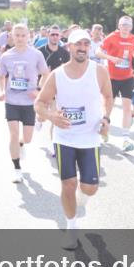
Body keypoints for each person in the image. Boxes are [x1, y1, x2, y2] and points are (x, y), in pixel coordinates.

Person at [35, 30, 114, 250]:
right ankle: (71, 229)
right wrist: (51, 117)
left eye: (86, 44)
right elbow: (40, 103)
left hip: (90, 138)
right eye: (77, 44)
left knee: (90, 188)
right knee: (68, 184)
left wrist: (106, 117)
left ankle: (83, 197)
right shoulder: (58, 75)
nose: (82, 47)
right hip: (65, 138)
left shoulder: (99, 72)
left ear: (89, 47)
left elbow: (108, 97)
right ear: (69, 46)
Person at [0, 23, 50, 183]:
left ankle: (21, 144)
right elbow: (1, 76)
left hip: (29, 103)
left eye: (23, 35)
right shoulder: (6, 56)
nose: (20, 38)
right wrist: (2, 91)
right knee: (13, 134)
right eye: (17, 35)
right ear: (12, 36)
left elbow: (46, 74)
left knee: (27, 139)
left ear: (29, 36)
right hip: (12, 101)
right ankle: (17, 169)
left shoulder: (36, 54)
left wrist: (39, 89)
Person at [97, 15, 134, 153]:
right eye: (123, 25)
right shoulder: (111, 37)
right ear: (119, 26)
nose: (125, 28)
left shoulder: (132, 38)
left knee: (127, 107)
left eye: (128, 25)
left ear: (131, 27)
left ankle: (125, 139)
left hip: (127, 77)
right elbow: (97, 52)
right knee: (108, 107)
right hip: (112, 77)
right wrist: (111, 58)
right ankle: (104, 129)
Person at [40, 26, 71, 155]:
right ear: (48, 35)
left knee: (55, 117)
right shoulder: (40, 52)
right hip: (42, 88)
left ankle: (54, 145)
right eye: (52, 34)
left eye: (57, 35)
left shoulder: (64, 53)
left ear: (60, 37)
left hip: (58, 90)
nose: (55, 37)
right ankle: (39, 120)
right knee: (42, 117)